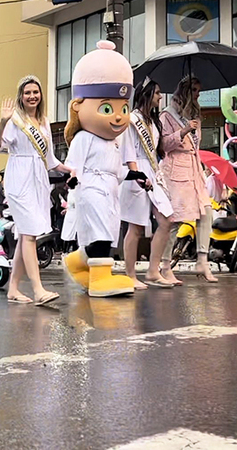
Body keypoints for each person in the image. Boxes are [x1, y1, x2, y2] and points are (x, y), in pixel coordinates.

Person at [61, 40, 143, 297]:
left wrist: (135, 174)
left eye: (123, 109)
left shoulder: (115, 141)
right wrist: (73, 180)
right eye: (107, 108)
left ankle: (76, 262)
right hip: (92, 188)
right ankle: (99, 280)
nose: (118, 116)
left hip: (110, 188)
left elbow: (117, 170)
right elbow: (74, 164)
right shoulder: (84, 138)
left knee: (107, 230)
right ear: (78, 106)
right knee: (99, 233)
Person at [0, 74, 73, 304]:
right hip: (19, 179)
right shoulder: (14, 120)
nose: (32, 96)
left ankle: (13, 289)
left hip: (37, 180)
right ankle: (37, 289)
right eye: (27, 93)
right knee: (29, 235)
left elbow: (51, 160)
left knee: (28, 234)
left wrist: (71, 169)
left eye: (35, 92)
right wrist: (2, 122)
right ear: (21, 96)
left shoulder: (44, 122)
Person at [160, 76, 218, 283]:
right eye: (194, 89)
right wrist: (184, 130)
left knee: (206, 212)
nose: (197, 94)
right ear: (184, 90)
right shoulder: (167, 115)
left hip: (194, 170)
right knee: (175, 219)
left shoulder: (195, 115)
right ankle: (165, 265)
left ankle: (202, 261)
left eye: (198, 90)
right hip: (175, 171)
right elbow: (164, 145)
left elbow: (195, 147)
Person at [122, 80, 179, 288]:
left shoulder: (154, 122)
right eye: (157, 93)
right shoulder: (132, 120)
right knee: (135, 227)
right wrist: (135, 173)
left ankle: (153, 271)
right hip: (136, 172)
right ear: (146, 94)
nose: (160, 97)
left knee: (167, 220)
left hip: (153, 174)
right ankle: (130, 275)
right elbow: (128, 149)